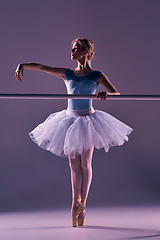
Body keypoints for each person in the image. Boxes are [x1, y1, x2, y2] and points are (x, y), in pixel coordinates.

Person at [15, 38, 133, 227]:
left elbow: (116, 92)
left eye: (76, 48)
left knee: (85, 163)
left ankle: (83, 204)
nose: (72, 50)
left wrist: (106, 94)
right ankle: (74, 202)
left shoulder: (97, 75)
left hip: (88, 120)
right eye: (71, 48)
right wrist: (23, 65)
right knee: (73, 165)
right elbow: (42, 67)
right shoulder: (67, 73)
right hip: (69, 120)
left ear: (86, 51)